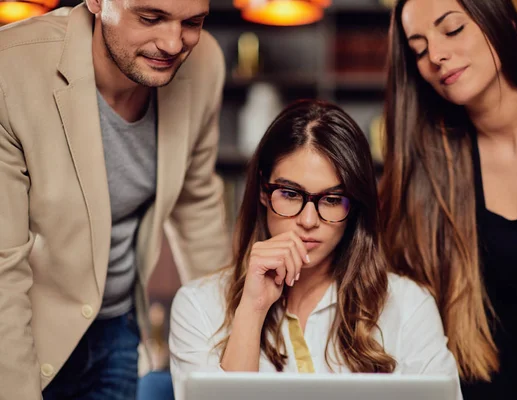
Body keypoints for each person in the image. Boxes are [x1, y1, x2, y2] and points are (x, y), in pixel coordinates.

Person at [0, 0, 231, 398]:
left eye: (191, 22)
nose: (173, 43)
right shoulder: (11, 70)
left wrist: (232, 342)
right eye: (151, 18)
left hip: (118, 328)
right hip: (22, 332)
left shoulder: (206, 62)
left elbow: (197, 207)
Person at [379, 0, 517, 399]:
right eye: (419, 48)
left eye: (452, 29)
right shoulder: (429, 167)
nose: (436, 55)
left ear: (497, 18)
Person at [169, 100, 462, 400]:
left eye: (332, 199)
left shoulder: (408, 306)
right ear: (262, 191)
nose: (308, 221)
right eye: (290, 194)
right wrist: (252, 310)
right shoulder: (199, 306)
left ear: (356, 206)